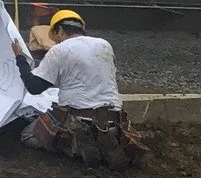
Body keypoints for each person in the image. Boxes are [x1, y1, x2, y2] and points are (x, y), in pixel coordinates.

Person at [14, 9, 144, 168]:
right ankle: (105, 144)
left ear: (60, 30)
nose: (56, 43)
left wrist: (19, 57)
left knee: (28, 135)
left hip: (79, 122)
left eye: (56, 39)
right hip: (113, 122)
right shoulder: (105, 45)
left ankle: (75, 147)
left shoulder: (59, 50)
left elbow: (34, 87)